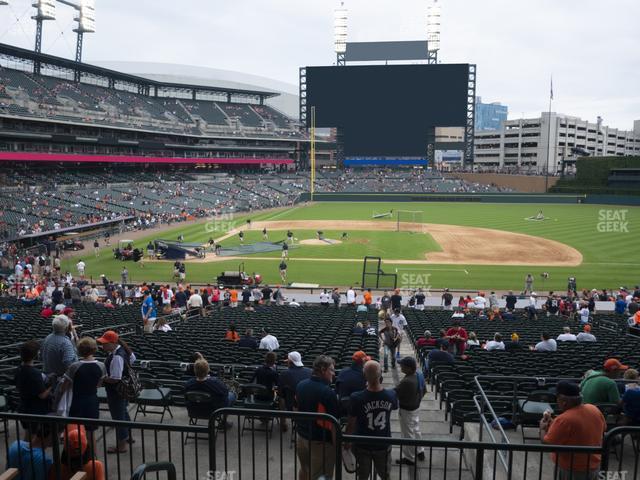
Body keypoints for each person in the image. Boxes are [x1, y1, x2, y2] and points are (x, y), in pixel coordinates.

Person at [539, 381, 606, 479]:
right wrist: (553, 423)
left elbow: (547, 444)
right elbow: (582, 429)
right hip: (594, 468)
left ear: (563, 401)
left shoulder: (564, 419)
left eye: (557, 398)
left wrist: (542, 428)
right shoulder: (594, 409)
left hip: (572, 470)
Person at [346, 360, 398, 478]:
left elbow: (351, 423)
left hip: (362, 443)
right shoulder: (391, 395)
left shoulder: (356, 397)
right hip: (383, 443)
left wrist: (347, 441)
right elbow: (394, 406)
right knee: (385, 475)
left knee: (363, 476)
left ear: (364, 375)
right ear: (380, 375)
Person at [295, 355, 339, 480]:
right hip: (320, 442)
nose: (333, 374)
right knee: (321, 476)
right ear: (323, 369)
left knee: (305, 469)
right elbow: (334, 425)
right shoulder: (328, 393)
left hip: (301, 436)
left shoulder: (300, 385)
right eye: (331, 370)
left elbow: (295, 410)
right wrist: (337, 447)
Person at [97, 330, 136, 453]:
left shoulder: (117, 356)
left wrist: (102, 379)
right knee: (123, 413)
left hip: (116, 391)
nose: (102, 346)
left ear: (113, 343)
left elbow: (115, 378)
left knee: (118, 417)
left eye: (105, 343)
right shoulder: (122, 351)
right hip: (122, 390)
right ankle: (128, 437)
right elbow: (133, 359)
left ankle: (122, 446)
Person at [62, 337, 106, 431]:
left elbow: (64, 386)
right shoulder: (101, 366)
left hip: (77, 401)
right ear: (94, 349)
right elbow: (99, 385)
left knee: (74, 431)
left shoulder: (74, 366)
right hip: (92, 401)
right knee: (91, 432)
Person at [394, 356, 425, 465]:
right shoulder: (419, 375)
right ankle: (420, 451)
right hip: (415, 407)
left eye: (402, 365)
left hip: (407, 410)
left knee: (408, 434)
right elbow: (424, 390)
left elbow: (394, 393)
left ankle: (409, 458)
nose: (400, 366)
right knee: (416, 429)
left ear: (409, 368)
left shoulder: (407, 381)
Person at [15, 340, 52, 425]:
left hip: (23, 407)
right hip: (35, 411)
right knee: (37, 436)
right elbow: (42, 395)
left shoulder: (19, 369)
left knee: (29, 435)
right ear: (35, 355)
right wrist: (51, 386)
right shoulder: (34, 373)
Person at [278, 351, 312, 432]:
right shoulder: (310, 371)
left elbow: (281, 395)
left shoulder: (284, 374)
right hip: (310, 406)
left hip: (292, 406)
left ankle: (283, 423)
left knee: (281, 398)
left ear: (290, 362)